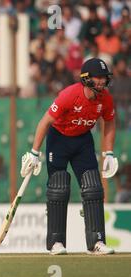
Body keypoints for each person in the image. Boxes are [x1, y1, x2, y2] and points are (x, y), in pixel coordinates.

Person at [21, 58, 118, 255]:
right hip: (59, 140)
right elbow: (45, 121)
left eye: (104, 78)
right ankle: (56, 242)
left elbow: (109, 122)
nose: (102, 81)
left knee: (93, 188)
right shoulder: (69, 95)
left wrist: (108, 153)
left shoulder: (105, 99)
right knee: (59, 188)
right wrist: (34, 153)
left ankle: (96, 242)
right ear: (86, 78)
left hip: (83, 140)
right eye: (98, 77)